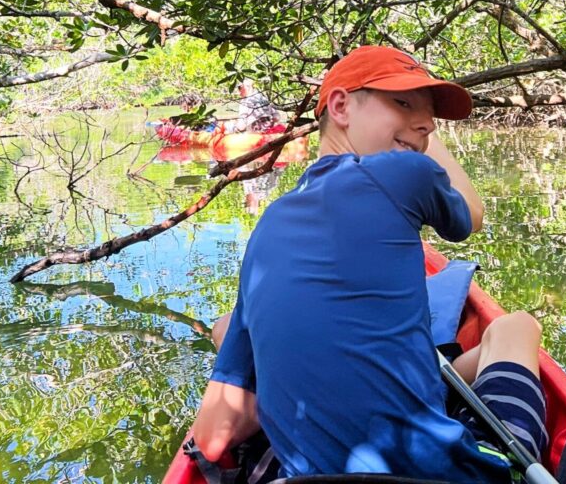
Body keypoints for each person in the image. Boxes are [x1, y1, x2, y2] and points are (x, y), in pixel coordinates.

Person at [191, 45, 545, 482]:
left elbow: (211, 437)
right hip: (447, 475)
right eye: (403, 102)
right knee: (516, 327)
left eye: (430, 117)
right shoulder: (406, 173)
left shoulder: (266, 227)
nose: (426, 124)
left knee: (229, 326)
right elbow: (470, 218)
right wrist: (428, 145)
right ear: (340, 105)